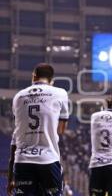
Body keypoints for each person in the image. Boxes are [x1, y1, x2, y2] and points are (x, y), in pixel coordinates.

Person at [7, 63, 69, 195]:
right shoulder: (60, 93)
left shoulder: (18, 96)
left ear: (34, 76)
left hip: (22, 161)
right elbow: (61, 130)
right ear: (52, 80)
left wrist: (10, 179)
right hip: (48, 160)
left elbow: (18, 128)